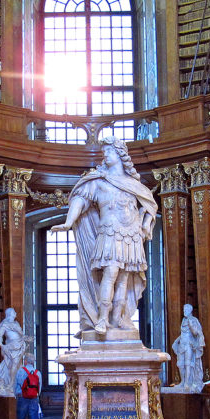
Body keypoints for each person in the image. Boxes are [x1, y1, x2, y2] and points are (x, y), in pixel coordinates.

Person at [50, 137, 158, 337]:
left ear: (119, 154)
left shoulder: (132, 183)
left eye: (109, 151)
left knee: (124, 278)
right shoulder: (98, 180)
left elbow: (150, 205)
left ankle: (118, 319)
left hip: (131, 234)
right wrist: (68, 222)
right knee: (110, 273)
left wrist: (144, 225)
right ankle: (102, 319)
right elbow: (80, 200)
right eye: (104, 152)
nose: (105, 155)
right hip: (109, 230)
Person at [0, 308, 26, 396]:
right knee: (13, 364)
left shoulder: (16, 323)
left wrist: (25, 338)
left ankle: (14, 383)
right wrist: (2, 345)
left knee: (17, 365)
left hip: (19, 346)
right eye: (14, 312)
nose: (16, 313)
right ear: (10, 313)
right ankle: (11, 384)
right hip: (11, 347)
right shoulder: (5, 324)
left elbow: (21, 334)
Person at [171, 303, 205, 392]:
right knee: (180, 364)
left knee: (188, 363)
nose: (184, 312)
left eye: (185, 310)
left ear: (190, 311)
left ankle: (187, 382)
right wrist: (177, 341)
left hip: (189, 344)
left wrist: (191, 325)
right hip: (182, 343)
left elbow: (195, 333)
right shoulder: (183, 320)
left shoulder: (193, 320)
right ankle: (182, 382)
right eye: (183, 310)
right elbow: (183, 333)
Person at [13, 353, 42, 419]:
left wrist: (16, 395)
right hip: (34, 399)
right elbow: (40, 388)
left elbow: (15, 386)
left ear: (25, 361)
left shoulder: (20, 371)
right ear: (33, 362)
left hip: (22, 399)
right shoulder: (38, 373)